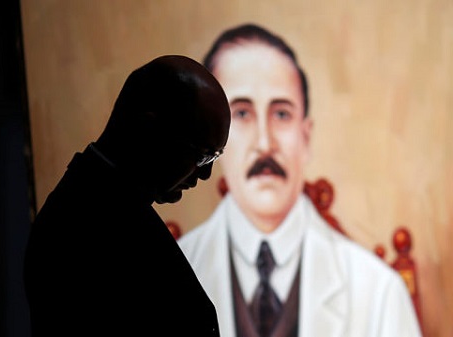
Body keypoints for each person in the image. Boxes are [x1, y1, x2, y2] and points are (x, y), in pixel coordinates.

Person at [177, 23, 422, 337]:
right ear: (212, 138)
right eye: (241, 113)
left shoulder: (378, 292)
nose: (265, 143)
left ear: (306, 136)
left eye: (281, 114)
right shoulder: (164, 280)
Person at [23, 55, 230, 336]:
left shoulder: (108, 203)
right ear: (149, 130)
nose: (205, 175)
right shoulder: (82, 226)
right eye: (203, 156)